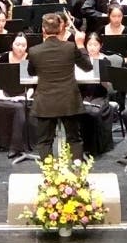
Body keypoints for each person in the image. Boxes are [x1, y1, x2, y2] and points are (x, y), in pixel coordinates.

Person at [27, 12, 93, 158]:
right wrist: (81, 45)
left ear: (43, 29)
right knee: (74, 140)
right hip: (69, 100)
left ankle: (49, 177)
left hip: (45, 102)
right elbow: (88, 67)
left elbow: (31, 72)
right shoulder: (70, 47)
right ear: (60, 28)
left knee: (45, 142)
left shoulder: (34, 51)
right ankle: (77, 174)